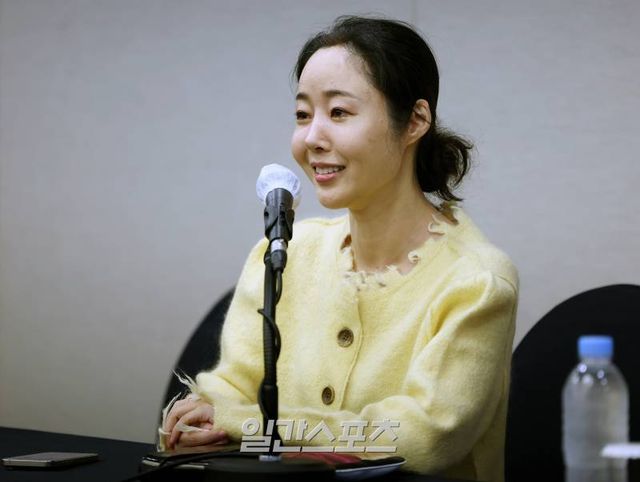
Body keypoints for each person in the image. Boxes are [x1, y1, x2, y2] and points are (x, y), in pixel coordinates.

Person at [160, 15, 518, 482]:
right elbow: (227, 392)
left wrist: (248, 425)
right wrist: (198, 420)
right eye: (303, 115)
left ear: (415, 121)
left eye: (339, 112)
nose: (312, 138)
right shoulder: (285, 253)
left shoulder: (477, 280)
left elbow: (423, 437)